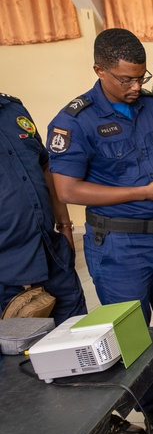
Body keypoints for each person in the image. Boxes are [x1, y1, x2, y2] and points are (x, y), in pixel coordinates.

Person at [47, 28, 153, 434]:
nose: (137, 87)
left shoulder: (151, 107)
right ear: (99, 70)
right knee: (135, 338)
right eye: (126, 79)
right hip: (117, 246)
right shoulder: (73, 120)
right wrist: (141, 193)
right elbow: (67, 189)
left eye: (142, 77)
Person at [0, 93, 86, 323]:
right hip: (7, 268)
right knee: (17, 355)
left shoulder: (13, 110)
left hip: (51, 252)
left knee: (77, 336)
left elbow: (45, 166)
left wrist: (65, 227)